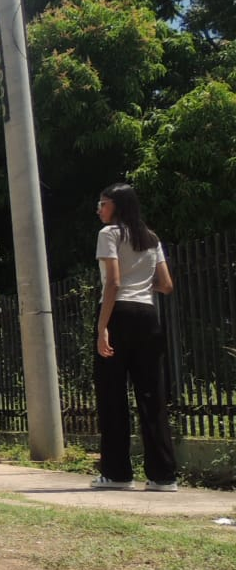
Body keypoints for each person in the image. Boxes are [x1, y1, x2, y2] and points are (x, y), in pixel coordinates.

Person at [91, 183, 177, 491]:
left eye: (103, 204)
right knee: (152, 395)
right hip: (147, 315)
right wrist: (141, 284)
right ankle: (164, 476)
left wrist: (102, 328)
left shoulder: (109, 234)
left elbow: (112, 282)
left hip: (118, 314)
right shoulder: (151, 238)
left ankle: (117, 473)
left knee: (112, 396)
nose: (100, 210)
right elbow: (166, 285)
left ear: (117, 207)